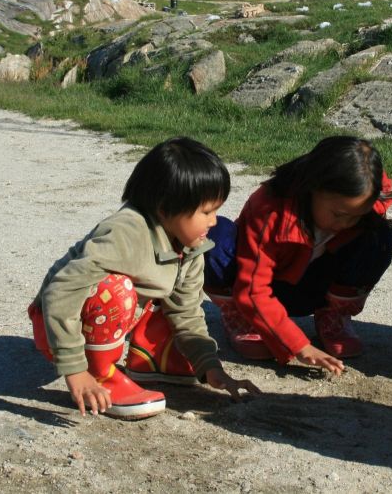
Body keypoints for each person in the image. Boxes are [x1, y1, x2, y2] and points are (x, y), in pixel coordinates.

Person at [27, 137, 260, 420]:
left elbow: (186, 311)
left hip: (105, 319)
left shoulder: (192, 244)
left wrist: (211, 367)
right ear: (165, 208)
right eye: (206, 212)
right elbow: (61, 291)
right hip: (57, 321)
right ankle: (100, 375)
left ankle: (152, 360)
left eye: (216, 211)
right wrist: (75, 369)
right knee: (117, 289)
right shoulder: (126, 233)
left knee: (165, 289)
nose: (214, 221)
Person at [204, 136, 392, 375]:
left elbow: (381, 197)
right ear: (313, 188)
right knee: (215, 237)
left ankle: (333, 315)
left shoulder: (367, 191)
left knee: (380, 237)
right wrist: (301, 346)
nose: (345, 223)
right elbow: (253, 289)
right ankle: (240, 316)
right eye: (338, 214)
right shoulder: (270, 208)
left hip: (315, 288)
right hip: (266, 288)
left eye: (355, 216)